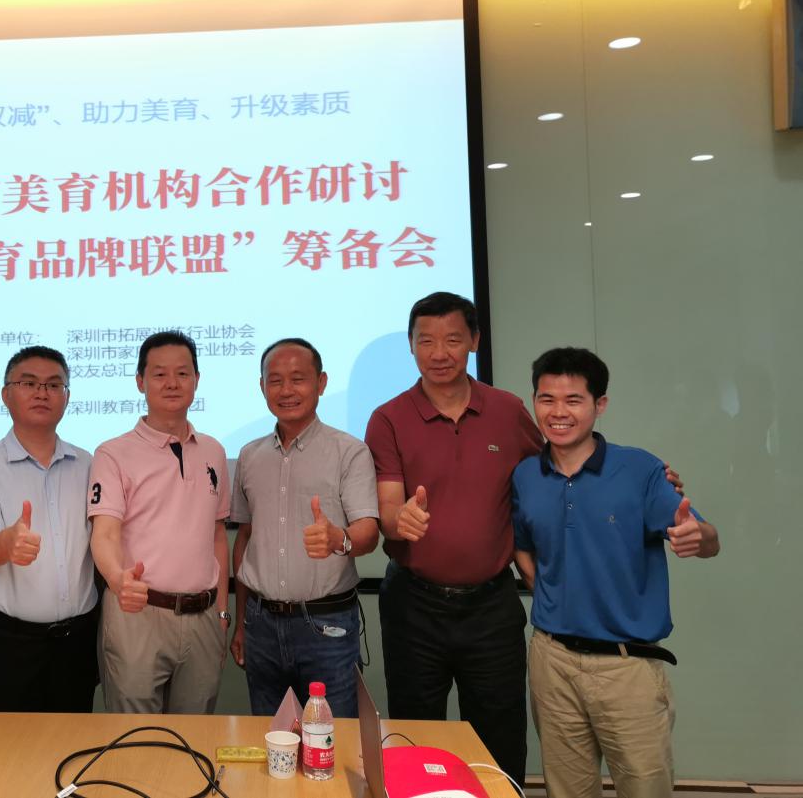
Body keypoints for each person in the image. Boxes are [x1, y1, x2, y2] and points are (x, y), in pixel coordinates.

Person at [512, 347, 719, 798]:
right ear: (534, 401)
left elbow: (707, 538)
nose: (558, 412)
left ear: (599, 404)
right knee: (566, 790)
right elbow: (522, 547)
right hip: (552, 661)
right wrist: (550, 595)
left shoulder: (640, 469)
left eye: (573, 400)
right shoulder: (526, 476)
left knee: (645, 789)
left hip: (628, 668)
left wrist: (698, 537)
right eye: (547, 399)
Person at [365, 291, 542, 785]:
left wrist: (644, 479)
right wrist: (398, 521)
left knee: (500, 737)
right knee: (417, 737)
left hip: (492, 605)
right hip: (414, 606)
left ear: (475, 341)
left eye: (452, 340)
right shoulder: (389, 417)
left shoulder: (507, 410)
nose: (439, 353)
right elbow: (388, 506)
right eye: (426, 341)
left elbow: (552, 474)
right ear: (411, 345)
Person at [230, 338, 379, 719]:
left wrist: (339, 539)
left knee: (333, 738)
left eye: (298, 379)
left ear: (321, 383)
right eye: (275, 380)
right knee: (271, 738)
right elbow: (245, 537)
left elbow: (368, 532)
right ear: (262, 386)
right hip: (261, 624)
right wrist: (242, 622)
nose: (286, 390)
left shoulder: (349, 451)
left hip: (326, 626)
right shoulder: (249, 456)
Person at [89, 330, 231, 714]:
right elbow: (105, 534)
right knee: (135, 734)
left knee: (195, 734)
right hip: (138, 612)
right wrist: (118, 579)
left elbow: (217, 534)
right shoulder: (113, 453)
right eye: (159, 374)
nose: (172, 383)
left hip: (203, 616)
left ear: (197, 379)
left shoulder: (215, 451)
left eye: (182, 373)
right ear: (140, 381)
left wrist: (221, 612)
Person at [0, 346, 99, 712]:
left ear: (67, 397)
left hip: (77, 641)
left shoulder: (89, 465)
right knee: (2, 745)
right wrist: (7, 543)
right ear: (6, 394)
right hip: (8, 645)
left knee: (74, 742)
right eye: (29, 383)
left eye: (54, 385)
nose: (42, 393)